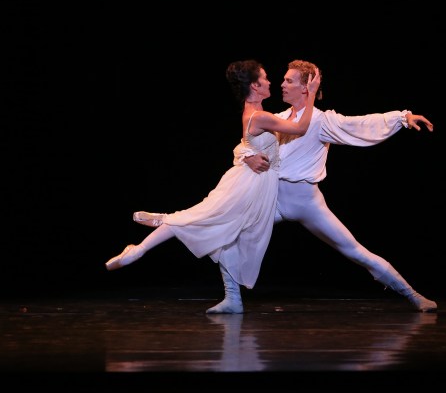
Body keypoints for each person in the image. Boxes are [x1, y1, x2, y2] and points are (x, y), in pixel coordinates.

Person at [105, 59, 321, 315]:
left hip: (256, 184)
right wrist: (312, 94)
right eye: (265, 78)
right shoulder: (260, 116)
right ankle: (141, 247)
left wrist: (245, 153)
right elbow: (300, 127)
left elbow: (246, 143)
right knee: (199, 219)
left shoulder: (252, 112)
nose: (271, 81)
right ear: (254, 85)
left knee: (224, 235)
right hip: (247, 185)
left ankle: (233, 299)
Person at [233, 59, 437, 312]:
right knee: (232, 234)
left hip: (307, 201)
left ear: (306, 88)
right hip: (274, 198)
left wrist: (402, 117)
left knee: (353, 250)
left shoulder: (322, 121)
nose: (282, 84)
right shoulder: (279, 118)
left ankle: (413, 295)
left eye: (289, 81)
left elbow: (360, 124)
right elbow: (248, 140)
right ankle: (232, 299)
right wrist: (246, 154)